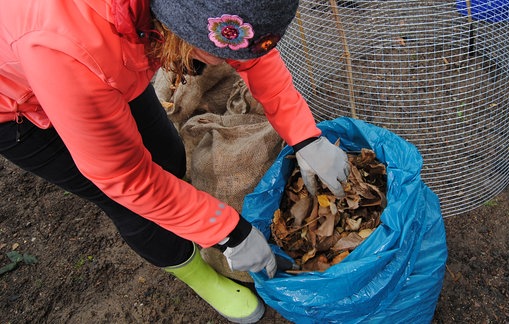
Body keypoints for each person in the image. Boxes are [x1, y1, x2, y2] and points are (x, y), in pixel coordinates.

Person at [0, 0, 350, 322]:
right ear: (177, 26)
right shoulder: (69, 52)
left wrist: (304, 135)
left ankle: (186, 219)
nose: (225, 63)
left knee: (167, 154)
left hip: (107, 60)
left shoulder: (184, 16)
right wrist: (229, 231)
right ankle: (198, 274)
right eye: (214, 52)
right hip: (18, 108)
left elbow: (250, 51)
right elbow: (124, 177)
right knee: (128, 205)